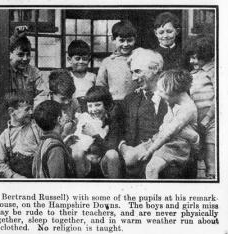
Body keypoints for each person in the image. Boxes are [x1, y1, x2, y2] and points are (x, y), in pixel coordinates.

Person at [118, 48, 168, 178]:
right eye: (132, 73)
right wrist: (123, 148)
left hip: (166, 163)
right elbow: (115, 128)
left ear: (155, 69)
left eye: (138, 71)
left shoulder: (174, 96)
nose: (134, 78)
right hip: (135, 166)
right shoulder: (130, 100)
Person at [141, 69, 200, 179]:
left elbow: (168, 133)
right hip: (166, 141)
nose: (159, 94)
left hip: (176, 146)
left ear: (174, 90)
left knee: (151, 169)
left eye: (162, 91)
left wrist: (150, 150)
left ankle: (153, 194)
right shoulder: (175, 102)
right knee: (133, 158)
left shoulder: (187, 109)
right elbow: (166, 125)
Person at [71, 86, 122, 178]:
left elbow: (112, 146)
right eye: (90, 106)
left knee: (113, 154)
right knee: (77, 151)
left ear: (107, 105)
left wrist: (94, 134)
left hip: (104, 162)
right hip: (85, 163)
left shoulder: (112, 122)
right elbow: (77, 140)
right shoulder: (85, 120)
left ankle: (115, 187)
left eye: (97, 105)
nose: (93, 110)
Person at [187, 36, 216, 178]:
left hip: (211, 119)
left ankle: (212, 176)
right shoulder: (193, 74)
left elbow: (220, 96)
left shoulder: (213, 70)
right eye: (190, 58)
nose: (191, 61)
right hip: (197, 119)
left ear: (205, 55)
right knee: (199, 151)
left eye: (195, 58)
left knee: (211, 153)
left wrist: (208, 117)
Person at [0, 92, 41, 178]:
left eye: (31, 109)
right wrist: (14, 176)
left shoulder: (36, 129)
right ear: (11, 111)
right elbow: (0, 164)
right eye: (27, 109)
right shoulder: (4, 137)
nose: (31, 112)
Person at [32, 100, 75, 178]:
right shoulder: (56, 149)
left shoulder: (43, 141)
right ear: (59, 120)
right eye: (63, 114)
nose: (66, 116)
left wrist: (64, 143)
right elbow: (57, 183)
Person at [96, 20, 136, 102]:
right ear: (113, 39)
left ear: (135, 39)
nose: (125, 44)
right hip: (115, 104)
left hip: (136, 103)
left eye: (129, 40)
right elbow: (100, 87)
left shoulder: (139, 58)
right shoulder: (107, 62)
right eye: (121, 40)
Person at [34, 69, 81, 138]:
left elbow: (79, 118)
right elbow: (41, 135)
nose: (67, 102)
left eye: (70, 97)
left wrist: (73, 122)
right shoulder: (41, 105)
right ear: (51, 93)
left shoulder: (73, 101)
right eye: (63, 98)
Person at [9, 29, 46, 99]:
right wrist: (14, 38)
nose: (25, 59)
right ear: (9, 54)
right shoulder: (4, 70)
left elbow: (42, 95)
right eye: (20, 55)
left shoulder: (34, 72)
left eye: (28, 54)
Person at [67, 39, 96, 110]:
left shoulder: (92, 77)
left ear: (89, 59)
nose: (81, 61)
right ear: (69, 60)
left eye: (84, 59)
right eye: (77, 58)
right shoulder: (67, 77)